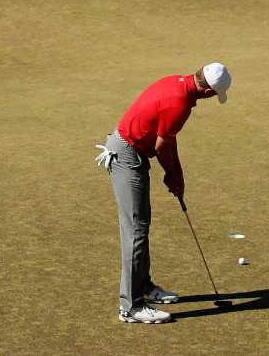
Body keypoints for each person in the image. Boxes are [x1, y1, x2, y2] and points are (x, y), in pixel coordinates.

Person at [95, 63, 232, 324]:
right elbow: (162, 146)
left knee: (141, 226)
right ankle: (131, 306)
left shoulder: (177, 84)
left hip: (131, 151)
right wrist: (173, 175)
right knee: (136, 230)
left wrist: (176, 173)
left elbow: (167, 138)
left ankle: (144, 286)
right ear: (208, 92)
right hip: (125, 155)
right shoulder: (179, 103)